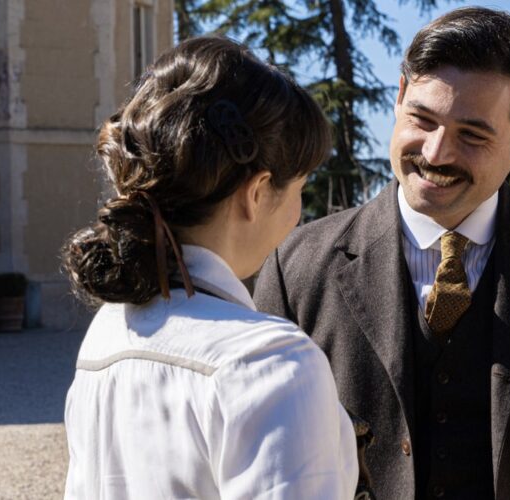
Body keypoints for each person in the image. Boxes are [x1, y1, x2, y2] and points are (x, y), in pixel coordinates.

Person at [254, 6, 510, 500]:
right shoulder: (296, 266)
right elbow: (268, 455)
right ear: (398, 97)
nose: (435, 154)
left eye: (472, 135)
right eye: (422, 119)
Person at [62, 36, 358, 499]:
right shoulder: (271, 361)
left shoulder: (108, 332)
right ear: (257, 192)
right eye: (300, 187)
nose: (301, 212)